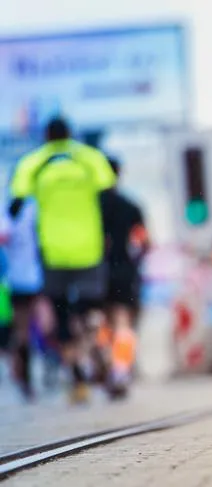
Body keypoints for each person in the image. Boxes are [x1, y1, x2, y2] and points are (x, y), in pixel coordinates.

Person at [9, 118, 115, 404]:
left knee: (62, 315)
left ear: (46, 136)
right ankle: (96, 347)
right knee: (91, 308)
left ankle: (77, 374)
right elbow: (109, 194)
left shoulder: (33, 163)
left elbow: (15, 203)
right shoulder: (89, 158)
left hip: (53, 252)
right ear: (71, 133)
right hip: (88, 248)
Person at [97, 158, 149, 397]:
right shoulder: (130, 206)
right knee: (123, 322)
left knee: (100, 321)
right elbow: (144, 241)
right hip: (125, 269)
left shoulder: (91, 206)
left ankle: (103, 364)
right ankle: (120, 369)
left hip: (95, 270)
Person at [0, 196, 43, 400]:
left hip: (16, 281)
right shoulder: (36, 210)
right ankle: (25, 378)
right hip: (37, 279)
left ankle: (24, 378)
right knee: (43, 326)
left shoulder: (7, 215)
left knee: (22, 332)